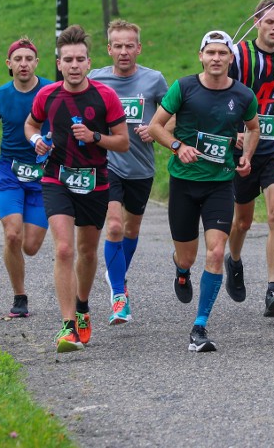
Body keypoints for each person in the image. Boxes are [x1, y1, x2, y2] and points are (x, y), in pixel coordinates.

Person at [148, 30, 259, 352]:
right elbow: (156, 126)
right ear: (201, 56)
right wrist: (177, 145)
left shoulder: (242, 94)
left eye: (222, 53)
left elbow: (253, 129)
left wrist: (247, 156)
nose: (216, 58)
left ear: (230, 59)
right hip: (183, 182)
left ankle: (199, 326)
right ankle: (182, 271)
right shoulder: (184, 87)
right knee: (188, 255)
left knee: (214, 251)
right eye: (210, 52)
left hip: (220, 183)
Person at [25, 25, 130, 353]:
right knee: (65, 250)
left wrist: (95, 137)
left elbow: (123, 143)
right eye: (67, 59)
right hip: (57, 177)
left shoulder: (105, 96)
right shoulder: (47, 95)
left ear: (88, 63)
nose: (73, 65)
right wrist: (36, 140)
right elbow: (31, 124)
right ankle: (68, 326)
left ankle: (83, 307)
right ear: (58, 64)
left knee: (86, 251)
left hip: (95, 181)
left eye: (79, 59)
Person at [225, 0, 274, 316]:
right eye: (269, 22)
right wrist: (234, 132)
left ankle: (273, 289)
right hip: (243, 149)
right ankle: (234, 260)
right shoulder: (239, 55)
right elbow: (223, 95)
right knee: (242, 221)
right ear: (256, 22)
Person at [88, 20, 168, 326]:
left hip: (141, 167)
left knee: (131, 231)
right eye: (117, 46)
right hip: (107, 164)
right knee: (115, 228)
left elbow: (173, 115)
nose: (123, 52)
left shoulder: (154, 80)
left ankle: (115, 274)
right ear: (109, 49)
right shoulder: (96, 79)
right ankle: (119, 296)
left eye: (129, 46)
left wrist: (156, 129)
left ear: (139, 48)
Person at [0, 37, 52, 318]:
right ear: (9, 64)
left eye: (28, 59)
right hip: (9, 170)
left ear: (36, 63)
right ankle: (20, 297)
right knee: (13, 235)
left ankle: (17, 235)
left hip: (43, 176)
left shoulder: (51, 91)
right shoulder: (0, 95)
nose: (23, 64)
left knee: (30, 246)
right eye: (18, 59)